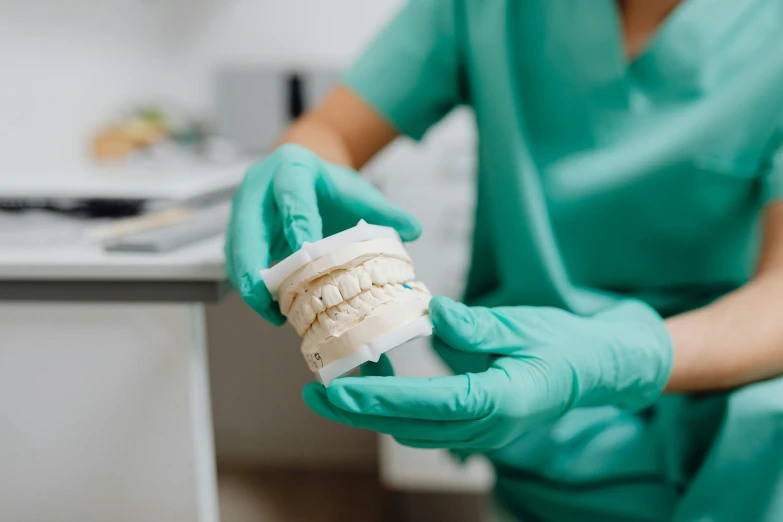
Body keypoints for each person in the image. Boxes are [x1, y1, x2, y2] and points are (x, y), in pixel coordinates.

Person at [225, 1, 783, 520]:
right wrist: (297, 161)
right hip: (539, 440)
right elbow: (331, 131)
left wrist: (624, 355)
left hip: (733, 442)